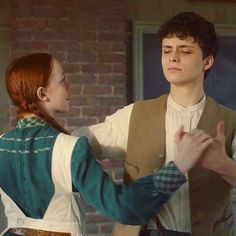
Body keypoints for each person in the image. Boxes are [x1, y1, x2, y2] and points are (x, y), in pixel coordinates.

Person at [0, 53, 213, 236]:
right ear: (42, 94)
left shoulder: (2, 144)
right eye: (62, 80)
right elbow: (124, 207)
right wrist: (178, 168)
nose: (68, 86)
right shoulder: (71, 149)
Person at [75, 12, 236, 236]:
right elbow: (76, 145)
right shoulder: (133, 115)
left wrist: (222, 164)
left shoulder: (230, 122)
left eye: (185, 50)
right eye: (167, 50)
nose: (173, 57)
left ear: (207, 61)